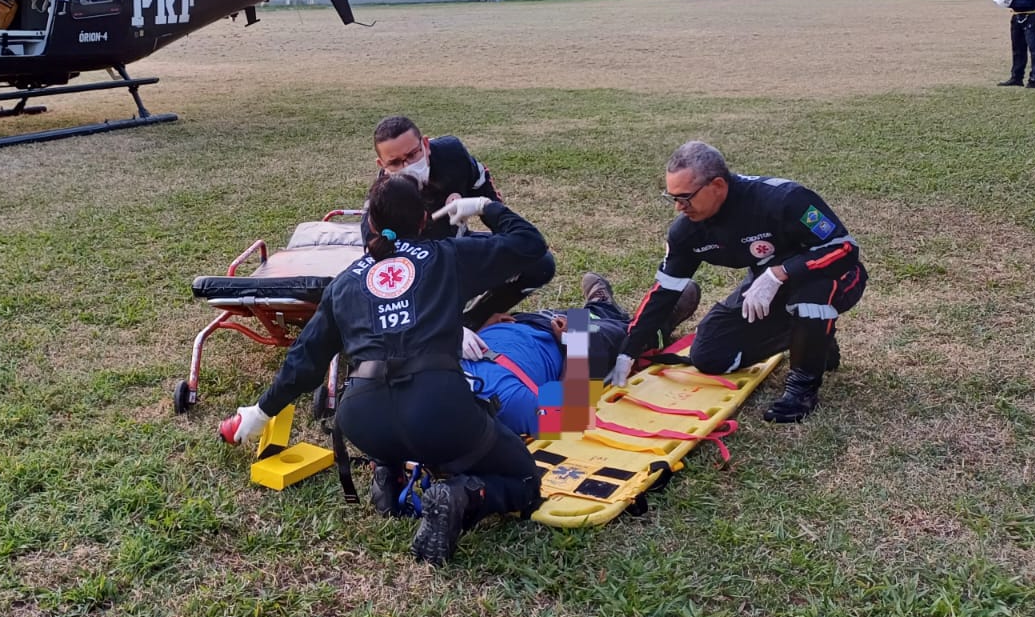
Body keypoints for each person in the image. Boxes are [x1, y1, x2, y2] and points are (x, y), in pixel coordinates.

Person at [221, 174, 550, 565]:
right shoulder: (576, 334)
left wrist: (259, 413)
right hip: (454, 401)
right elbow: (532, 249)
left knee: (431, 427)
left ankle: (388, 471)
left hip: (365, 416)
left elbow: (303, 361)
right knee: (526, 479)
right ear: (424, 221)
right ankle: (461, 494)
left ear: (369, 224)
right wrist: (483, 207)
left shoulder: (344, 284)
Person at [603, 142, 867, 424]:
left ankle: (802, 387)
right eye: (672, 197)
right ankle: (814, 339)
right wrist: (629, 351)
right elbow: (664, 292)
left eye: (686, 197)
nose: (679, 207)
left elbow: (845, 250)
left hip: (832, 275)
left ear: (717, 185)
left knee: (809, 296)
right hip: (765, 285)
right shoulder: (686, 231)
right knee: (709, 355)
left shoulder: (785, 199)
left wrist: (780, 273)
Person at [366, 115, 557, 329]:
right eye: (395, 162)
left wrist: (479, 204)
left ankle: (474, 319)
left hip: (456, 250)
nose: (408, 165)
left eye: (413, 154)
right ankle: (461, 322)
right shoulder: (384, 198)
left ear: (426, 145)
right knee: (583, 330)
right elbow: (382, 266)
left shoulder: (452, 155)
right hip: (422, 271)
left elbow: (491, 197)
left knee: (540, 263)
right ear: (382, 165)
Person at [464, 275, 702, 437]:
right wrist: (573, 344)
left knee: (582, 318)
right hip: (566, 346)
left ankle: (601, 308)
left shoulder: (433, 366)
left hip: (525, 322)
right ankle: (660, 324)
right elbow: (573, 413)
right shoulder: (508, 403)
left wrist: (477, 328)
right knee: (624, 334)